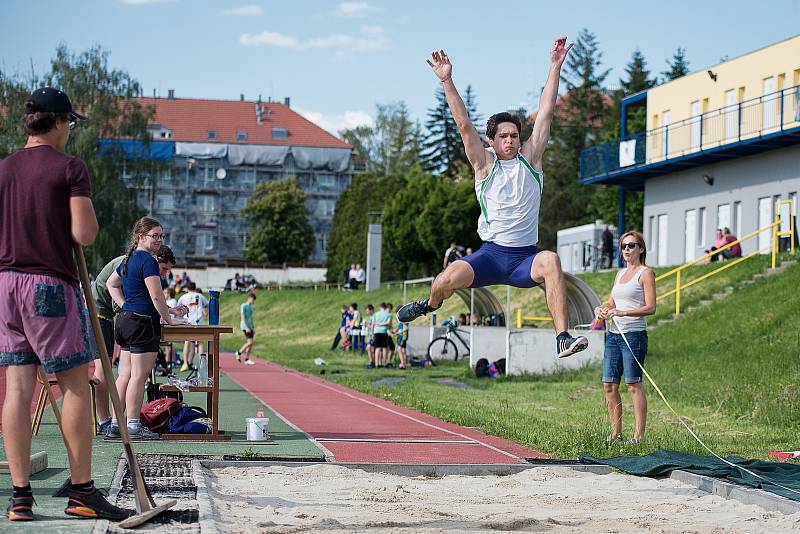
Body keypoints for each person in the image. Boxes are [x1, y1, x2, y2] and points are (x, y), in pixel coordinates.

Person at [397, 39, 589, 359]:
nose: (511, 140)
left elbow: (546, 112)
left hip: (524, 259)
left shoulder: (532, 159)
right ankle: (428, 305)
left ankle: (563, 338)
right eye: (504, 136)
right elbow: (462, 124)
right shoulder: (484, 165)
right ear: (493, 140)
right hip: (490, 257)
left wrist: (555, 65)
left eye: (514, 135)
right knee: (447, 279)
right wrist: (446, 80)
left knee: (552, 261)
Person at [0, 87, 130, 521]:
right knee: (75, 383)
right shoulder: (69, 168)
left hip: (6, 285)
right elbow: (85, 233)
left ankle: (21, 496)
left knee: (18, 388)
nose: (72, 131)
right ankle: (82, 491)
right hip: (48, 285)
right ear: (58, 122)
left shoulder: (3, 170)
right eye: (71, 123)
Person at [105, 217, 184, 441]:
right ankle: (132, 426)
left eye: (161, 236)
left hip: (125, 320)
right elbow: (157, 296)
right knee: (138, 376)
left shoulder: (129, 259)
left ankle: (114, 424)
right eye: (155, 236)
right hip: (141, 323)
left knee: (125, 375)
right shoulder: (148, 261)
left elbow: (112, 284)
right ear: (141, 237)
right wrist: (168, 319)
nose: (159, 240)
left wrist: (125, 306)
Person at [594, 231, 656, 445]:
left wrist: (623, 312)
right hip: (613, 335)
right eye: (623, 246)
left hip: (634, 335)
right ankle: (616, 434)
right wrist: (602, 309)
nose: (627, 250)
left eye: (631, 245)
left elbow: (651, 307)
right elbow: (612, 302)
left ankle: (639, 436)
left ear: (641, 248)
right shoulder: (619, 273)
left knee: (633, 384)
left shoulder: (645, 273)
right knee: (609, 385)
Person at [177, 282, 208, 371]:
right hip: (198, 322)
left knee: (187, 342)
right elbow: (206, 307)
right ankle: (202, 364)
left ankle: (185, 363)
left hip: (188, 322)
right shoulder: (200, 296)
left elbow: (178, 308)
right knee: (200, 343)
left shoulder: (183, 297)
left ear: (187, 288)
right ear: (195, 287)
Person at [235, 293, 257, 365]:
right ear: (249, 298)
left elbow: (250, 318)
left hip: (250, 326)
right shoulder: (243, 305)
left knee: (251, 344)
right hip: (245, 326)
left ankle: (247, 359)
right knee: (249, 342)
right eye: (253, 299)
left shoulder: (251, 307)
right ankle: (238, 353)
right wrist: (247, 327)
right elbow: (243, 317)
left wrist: (253, 327)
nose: (253, 301)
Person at [372, 303, 392, 367]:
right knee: (384, 348)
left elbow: (373, 323)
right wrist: (382, 324)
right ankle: (384, 363)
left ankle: (377, 363)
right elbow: (388, 323)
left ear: (380, 307)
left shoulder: (375, 314)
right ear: (385, 307)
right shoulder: (388, 314)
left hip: (376, 331)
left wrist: (373, 331)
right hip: (384, 331)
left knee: (377, 348)